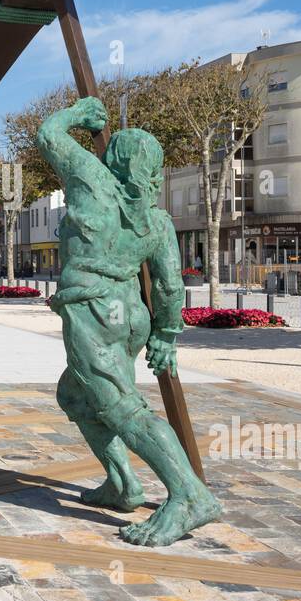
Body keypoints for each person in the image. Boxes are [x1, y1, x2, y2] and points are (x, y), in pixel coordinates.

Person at [39, 97, 220, 546]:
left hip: (94, 312)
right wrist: (167, 335)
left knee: (123, 408)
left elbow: (49, 135)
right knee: (75, 396)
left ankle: (189, 496)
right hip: (130, 314)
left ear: (112, 161)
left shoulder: (94, 183)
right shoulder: (158, 221)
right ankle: (123, 484)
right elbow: (169, 287)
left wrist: (80, 115)